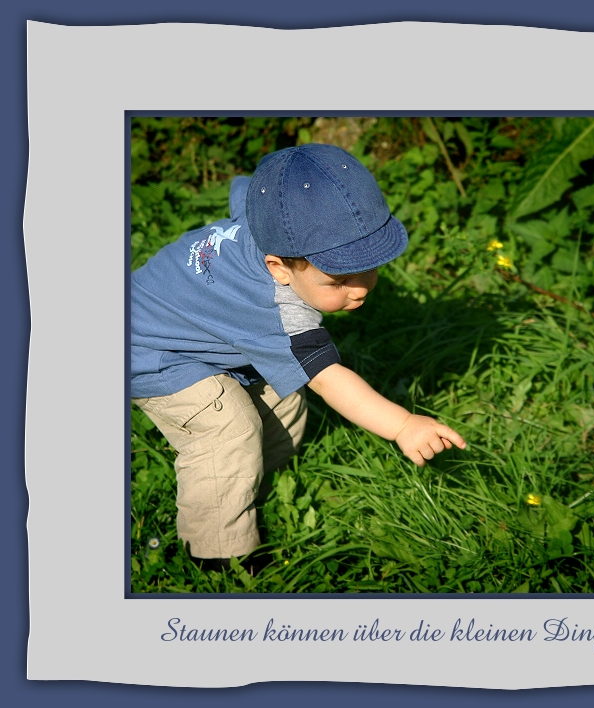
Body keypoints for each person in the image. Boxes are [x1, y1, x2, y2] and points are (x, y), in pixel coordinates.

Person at [131, 143, 466, 572]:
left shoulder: (270, 218)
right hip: (150, 349)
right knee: (227, 429)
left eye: (370, 267)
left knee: (285, 398)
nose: (360, 288)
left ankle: (247, 483)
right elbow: (329, 379)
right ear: (279, 268)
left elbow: (245, 189)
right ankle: (218, 554)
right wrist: (402, 424)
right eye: (341, 278)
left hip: (183, 321)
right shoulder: (280, 310)